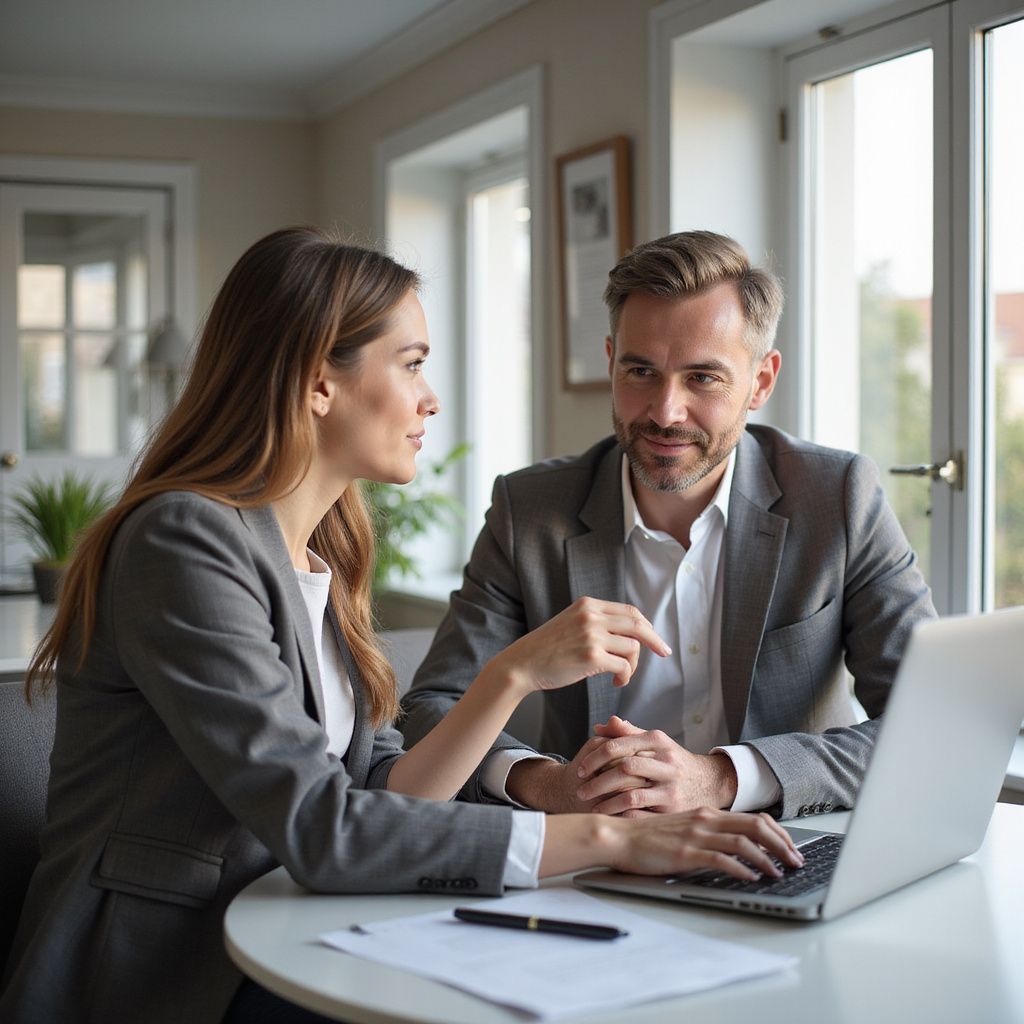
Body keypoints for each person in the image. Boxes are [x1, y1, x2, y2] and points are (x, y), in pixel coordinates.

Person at [0, 228, 801, 1024]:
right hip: (169, 964)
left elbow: (389, 787)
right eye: (412, 364)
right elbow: (321, 827)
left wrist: (510, 676)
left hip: (301, 924)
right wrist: (609, 839)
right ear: (320, 382)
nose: (431, 398)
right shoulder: (182, 541)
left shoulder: (321, 545)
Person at [402, 230, 936, 822]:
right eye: (641, 372)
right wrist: (549, 784)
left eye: (703, 378)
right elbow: (431, 708)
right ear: (610, 362)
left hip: (787, 845)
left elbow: (930, 725)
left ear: (760, 381)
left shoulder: (837, 498)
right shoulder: (527, 510)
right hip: (597, 858)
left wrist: (723, 778)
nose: (664, 411)